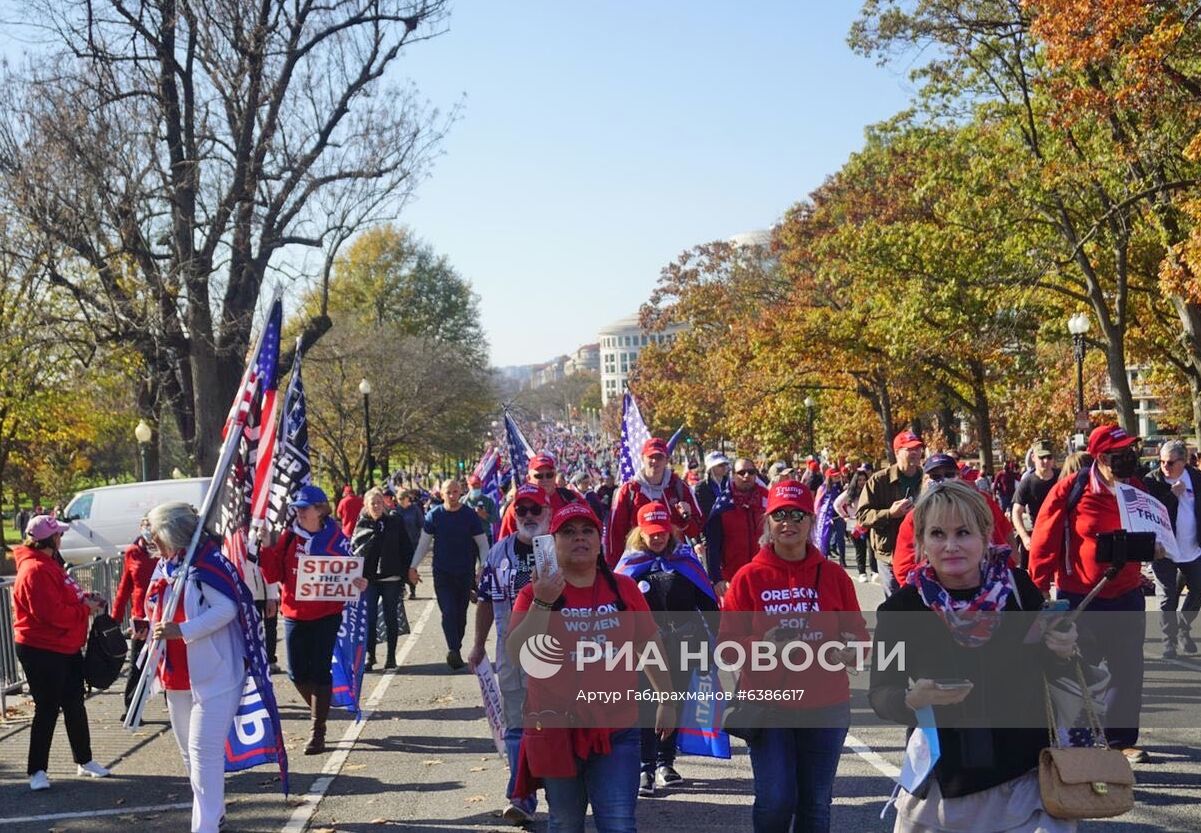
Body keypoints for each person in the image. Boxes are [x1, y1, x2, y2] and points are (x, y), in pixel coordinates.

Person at [870, 480, 1079, 833]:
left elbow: (1059, 670)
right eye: (937, 534)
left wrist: (1063, 652)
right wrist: (910, 700)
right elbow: (881, 693)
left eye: (963, 532)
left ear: (985, 536)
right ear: (922, 541)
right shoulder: (899, 611)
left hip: (1027, 782)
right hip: (944, 791)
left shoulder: (1019, 590)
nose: (951, 546)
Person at [506, 502, 675, 833]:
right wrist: (543, 602)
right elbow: (517, 654)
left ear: (600, 542)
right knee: (566, 823)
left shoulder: (623, 589)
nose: (579, 538)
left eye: (588, 531)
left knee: (618, 824)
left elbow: (648, 645)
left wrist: (667, 700)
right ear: (553, 543)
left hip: (618, 729)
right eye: (568, 532)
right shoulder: (533, 593)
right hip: (556, 730)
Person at [719, 480, 867, 833]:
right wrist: (764, 645)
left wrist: (852, 651)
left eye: (798, 514)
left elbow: (859, 637)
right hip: (770, 706)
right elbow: (727, 647)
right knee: (775, 800)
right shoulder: (748, 578)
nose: (789, 522)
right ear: (767, 522)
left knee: (815, 804)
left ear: (811, 520)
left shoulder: (832, 575)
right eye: (780, 514)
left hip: (826, 706)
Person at [1028, 425, 1150, 764]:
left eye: (1130, 451)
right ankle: (1074, 736)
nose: (1128, 459)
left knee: (1127, 670)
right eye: (1119, 454)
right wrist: (1038, 585)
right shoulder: (1071, 489)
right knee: (1077, 670)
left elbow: (1157, 530)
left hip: (1127, 594)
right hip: (1082, 595)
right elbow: (1044, 537)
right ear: (1100, 457)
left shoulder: (1137, 488)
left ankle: (1120, 741)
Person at [144, 502, 250, 833]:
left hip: (214, 673)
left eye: (156, 533)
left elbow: (227, 609)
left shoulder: (207, 563)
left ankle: (204, 827)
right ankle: (213, 814)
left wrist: (182, 630)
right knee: (191, 756)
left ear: (174, 532)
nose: (151, 540)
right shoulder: (166, 564)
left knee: (203, 752)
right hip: (176, 674)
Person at [615, 502, 718, 796]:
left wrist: (715, 640)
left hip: (685, 644)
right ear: (640, 533)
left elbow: (708, 603)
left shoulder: (686, 561)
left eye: (662, 532)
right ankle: (644, 766)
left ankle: (665, 762)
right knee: (647, 704)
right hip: (644, 648)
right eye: (651, 533)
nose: (658, 538)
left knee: (676, 703)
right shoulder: (629, 567)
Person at [261, 484, 367, 754]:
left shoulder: (336, 538)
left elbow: (349, 572)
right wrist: (265, 548)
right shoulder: (288, 539)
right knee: (296, 672)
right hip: (295, 614)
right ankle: (320, 708)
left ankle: (317, 731)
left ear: (320, 510)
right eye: (296, 509)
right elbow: (273, 576)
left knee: (320, 670)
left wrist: (358, 582)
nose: (299, 513)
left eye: (304, 508)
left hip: (326, 614)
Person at [468, 483, 551, 826]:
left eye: (536, 510)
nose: (529, 516)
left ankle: (567, 792)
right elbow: (486, 601)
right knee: (517, 728)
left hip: (560, 655)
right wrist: (477, 644)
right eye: (522, 510)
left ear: (548, 512)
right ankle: (521, 796)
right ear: (513, 514)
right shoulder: (498, 553)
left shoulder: (561, 548)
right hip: (512, 655)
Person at [12, 515, 109, 791]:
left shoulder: (49, 564)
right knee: (47, 708)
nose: (62, 539)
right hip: (41, 648)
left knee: (74, 704)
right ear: (50, 540)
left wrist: (85, 600)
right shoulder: (34, 569)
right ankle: (37, 770)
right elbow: (49, 614)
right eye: (59, 535)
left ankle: (85, 760)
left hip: (63, 646)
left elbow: (63, 600)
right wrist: (84, 609)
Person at [891, 454, 1015, 587]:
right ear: (925, 481)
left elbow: (1008, 536)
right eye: (935, 476)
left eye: (949, 474)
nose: (943, 480)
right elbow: (903, 569)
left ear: (960, 476)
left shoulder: (983, 502)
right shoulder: (916, 516)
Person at [409, 478, 490, 669]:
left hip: (464, 573)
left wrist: (482, 567)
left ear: (461, 493)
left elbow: (482, 543)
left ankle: (456, 645)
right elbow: (423, 544)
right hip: (442, 572)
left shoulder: (469, 515)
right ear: (442, 494)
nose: (452, 496)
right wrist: (413, 567)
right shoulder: (434, 515)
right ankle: (453, 649)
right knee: (448, 611)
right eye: (448, 492)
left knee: (460, 615)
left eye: (455, 492)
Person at [605, 437, 703, 567]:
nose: (654, 461)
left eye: (659, 457)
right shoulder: (628, 491)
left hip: (674, 562)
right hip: (638, 563)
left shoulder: (679, 487)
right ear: (642, 458)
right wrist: (614, 570)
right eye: (650, 456)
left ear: (667, 460)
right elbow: (614, 535)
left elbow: (696, 530)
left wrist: (687, 518)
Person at [1144, 439, 1201, 659]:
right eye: (1161, 462)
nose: (1164, 467)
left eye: (1170, 463)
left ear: (1183, 462)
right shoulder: (1153, 480)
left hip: (1192, 548)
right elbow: (1151, 512)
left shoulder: (1196, 479)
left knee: (1197, 590)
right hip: (1164, 549)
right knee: (1167, 596)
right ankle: (1169, 642)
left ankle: (1183, 626)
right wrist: (1173, 495)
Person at [857, 429, 925, 597]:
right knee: (896, 603)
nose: (915, 452)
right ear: (897, 452)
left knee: (922, 601)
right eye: (910, 449)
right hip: (890, 554)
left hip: (922, 552)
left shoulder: (927, 478)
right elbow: (862, 516)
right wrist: (890, 513)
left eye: (918, 448)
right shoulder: (879, 480)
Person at [352, 487, 413, 670]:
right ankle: (370, 656)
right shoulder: (362, 525)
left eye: (379, 502)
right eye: (373, 503)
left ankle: (391, 656)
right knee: (369, 618)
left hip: (391, 578)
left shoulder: (394, 521)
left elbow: (405, 547)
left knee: (390, 618)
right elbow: (354, 550)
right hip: (369, 580)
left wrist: (408, 572)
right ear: (366, 506)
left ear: (384, 504)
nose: (377, 506)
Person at [704, 457, 768, 598]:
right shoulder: (723, 506)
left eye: (751, 472)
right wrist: (717, 579)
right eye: (741, 472)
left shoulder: (767, 500)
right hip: (733, 577)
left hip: (764, 574)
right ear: (733, 475)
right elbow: (713, 546)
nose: (747, 476)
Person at [114, 518, 157, 714]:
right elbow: (125, 586)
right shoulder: (133, 551)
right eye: (145, 526)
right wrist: (115, 617)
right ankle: (131, 708)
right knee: (137, 664)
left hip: (163, 613)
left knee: (166, 662)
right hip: (140, 616)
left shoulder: (167, 549)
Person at [498, 454, 585, 539]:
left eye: (549, 475)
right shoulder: (518, 507)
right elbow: (504, 545)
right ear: (528, 479)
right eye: (539, 476)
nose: (545, 480)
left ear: (555, 476)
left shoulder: (572, 498)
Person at [1011, 440, 1059, 570]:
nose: (1046, 461)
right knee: (1038, 583)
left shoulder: (1062, 477)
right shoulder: (1027, 483)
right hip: (1039, 536)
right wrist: (1025, 537)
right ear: (1033, 458)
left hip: (1061, 536)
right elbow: (1016, 512)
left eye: (1049, 457)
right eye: (1041, 457)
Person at [834, 465, 874, 583]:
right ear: (855, 481)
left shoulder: (870, 490)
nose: (862, 482)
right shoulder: (849, 493)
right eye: (859, 480)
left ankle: (874, 571)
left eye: (864, 480)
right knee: (859, 549)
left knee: (871, 547)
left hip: (868, 522)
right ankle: (862, 572)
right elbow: (837, 504)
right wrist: (845, 516)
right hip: (854, 523)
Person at [815, 467, 847, 567]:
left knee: (840, 539)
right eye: (835, 476)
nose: (838, 477)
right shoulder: (823, 488)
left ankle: (842, 560)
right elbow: (818, 503)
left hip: (838, 517)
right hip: (826, 518)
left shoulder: (840, 487)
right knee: (825, 539)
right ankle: (824, 558)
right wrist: (817, 516)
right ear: (829, 477)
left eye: (838, 475)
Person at [397, 490, 424, 599]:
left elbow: (421, 523)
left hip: (413, 542)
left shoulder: (414, 509)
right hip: (399, 543)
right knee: (400, 566)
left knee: (412, 567)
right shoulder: (396, 510)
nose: (401, 501)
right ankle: (402, 589)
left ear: (408, 498)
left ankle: (413, 590)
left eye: (403, 499)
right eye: (399, 499)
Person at [694, 451, 731, 519]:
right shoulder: (701, 487)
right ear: (711, 468)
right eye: (720, 465)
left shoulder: (730, 484)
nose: (724, 467)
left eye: (725, 464)